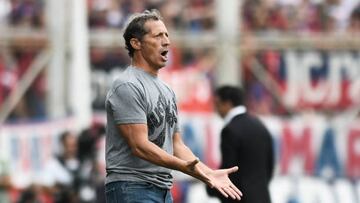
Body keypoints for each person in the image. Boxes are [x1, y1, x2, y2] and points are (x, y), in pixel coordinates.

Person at [104, 10, 242, 203]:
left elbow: (177, 145)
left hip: (162, 189)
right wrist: (183, 167)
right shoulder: (127, 85)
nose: (167, 41)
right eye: (158, 36)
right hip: (132, 187)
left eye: (167, 35)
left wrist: (208, 173)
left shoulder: (167, 91)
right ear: (136, 43)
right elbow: (139, 145)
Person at [206, 86, 274, 203]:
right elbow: (270, 166)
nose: (216, 108)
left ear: (227, 103)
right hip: (262, 198)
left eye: (217, 103)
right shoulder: (260, 126)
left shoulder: (230, 130)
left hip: (239, 198)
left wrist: (211, 186)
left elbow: (229, 171)